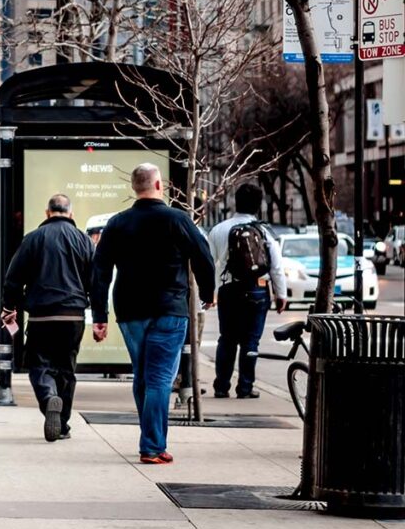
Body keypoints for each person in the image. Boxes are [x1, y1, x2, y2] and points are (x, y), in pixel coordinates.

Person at [91, 164, 215, 465]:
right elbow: (203, 257)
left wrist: (99, 315)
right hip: (170, 308)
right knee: (160, 376)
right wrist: (209, 293)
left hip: (130, 310)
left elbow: (101, 271)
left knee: (144, 374)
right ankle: (152, 445)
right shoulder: (177, 220)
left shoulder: (118, 224)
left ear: (135, 187)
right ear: (159, 185)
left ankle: (152, 439)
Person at [1, 194, 94, 442]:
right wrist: (99, 315)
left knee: (39, 364)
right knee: (66, 369)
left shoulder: (33, 239)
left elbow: (13, 279)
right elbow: (95, 281)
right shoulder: (84, 241)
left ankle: (47, 397)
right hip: (73, 316)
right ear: (70, 214)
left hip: (41, 316)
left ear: (47, 212)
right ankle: (62, 424)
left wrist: (9, 306)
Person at [208, 184, 288, 399]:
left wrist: (211, 292)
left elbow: (210, 263)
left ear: (236, 202)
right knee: (251, 341)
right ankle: (245, 387)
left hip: (228, 290)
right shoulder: (263, 231)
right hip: (256, 290)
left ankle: (221, 386)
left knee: (227, 339)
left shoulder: (219, 229)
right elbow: (276, 267)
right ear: (257, 205)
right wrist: (281, 295)